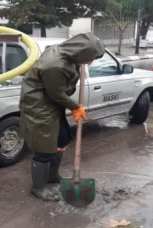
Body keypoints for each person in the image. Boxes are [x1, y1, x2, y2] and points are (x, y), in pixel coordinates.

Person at [19, 33, 105, 202]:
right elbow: (56, 93)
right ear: (81, 53)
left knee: (61, 141)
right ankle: (38, 187)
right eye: (91, 58)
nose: (91, 62)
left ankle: (52, 176)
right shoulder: (55, 65)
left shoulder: (69, 55)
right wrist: (76, 107)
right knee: (44, 149)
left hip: (52, 104)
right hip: (39, 108)